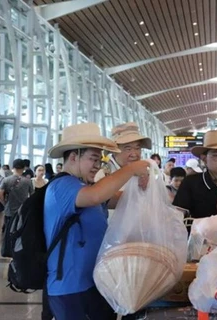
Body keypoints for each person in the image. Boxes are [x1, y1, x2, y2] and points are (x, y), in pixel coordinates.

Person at [44, 123, 150, 320]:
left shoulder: (85, 186)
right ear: (73, 156)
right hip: (70, 287)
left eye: (99, 160)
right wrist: (131, 169)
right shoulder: (62, 186)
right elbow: (94, 197)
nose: (97, 165)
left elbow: (114, 199)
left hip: (96, 282)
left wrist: (141, 188)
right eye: (93, 159)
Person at [173, 129, 217, 219]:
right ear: (204, 159)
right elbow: (178, 216)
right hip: (198, 233)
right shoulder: (190, 183)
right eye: (216, 155)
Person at [94, 122, 152, 209]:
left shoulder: (147, 172)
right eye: (128, 149)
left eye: (137, 148)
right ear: (114, 151)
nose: (134, 154)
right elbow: (102, 202)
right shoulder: (102, 175)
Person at [0, 159, 33, 256]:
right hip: (23, 211)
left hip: (9, 210)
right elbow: (32, 196)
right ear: (24, 168)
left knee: (9, 231)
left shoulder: (6, 180)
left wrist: (5, 204)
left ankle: (8, 250)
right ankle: (20, 250)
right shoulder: (28, 181)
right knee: (21, 231)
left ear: (13, 167)